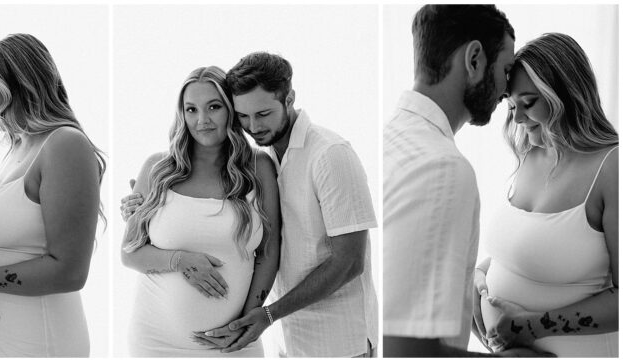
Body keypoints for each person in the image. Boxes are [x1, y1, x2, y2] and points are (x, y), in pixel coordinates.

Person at [122, 52, 379, 357]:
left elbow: (341, 261)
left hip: (331, 341)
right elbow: (132, 250)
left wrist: (261, 316)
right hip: (176, 341)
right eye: (244, 116)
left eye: (263, 114)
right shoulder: (263, 158)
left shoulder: (320, 156)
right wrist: (171, 245)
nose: (254, 127)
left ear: (289, 99)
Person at [382, 5, 549, 357]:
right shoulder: (442, 168)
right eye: (505, 70)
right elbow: (412, 352)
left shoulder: (394, 137)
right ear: (474, 60)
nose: (507, 92)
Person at [0, 33, 105, 358]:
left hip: (40, 341)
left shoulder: (65, 145)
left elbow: (70, 271)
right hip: (4, 337)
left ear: (23, 82)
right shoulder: (19, 145)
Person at [473, 32, 618, 357]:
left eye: (528, 103)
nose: (518, 118)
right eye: (512, 106)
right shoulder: (529, 153)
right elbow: (532, 248)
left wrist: (531, 325)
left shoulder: (611, 169)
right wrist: (480, 275)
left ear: (567, 94)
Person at [120, 66, 280, 357]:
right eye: (191, 109)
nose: (202, 120)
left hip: (234, 343)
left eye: (214, 107)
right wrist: (181, 261)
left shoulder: (259, 168)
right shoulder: (157, 169)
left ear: (230, 110)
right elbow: (129, 253)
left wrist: (247, 321)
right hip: (156, 343)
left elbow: (269, 252)